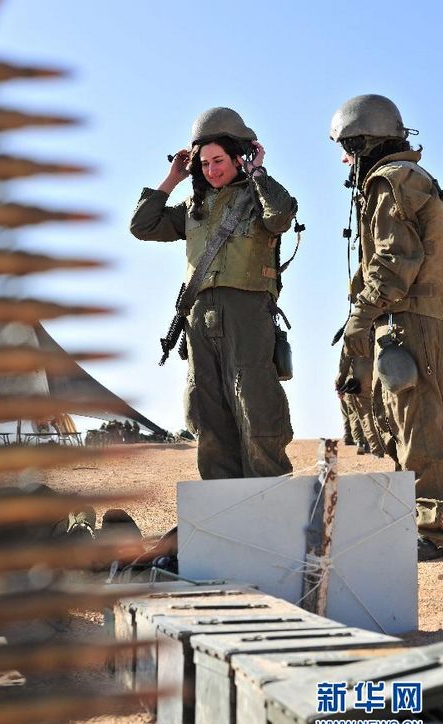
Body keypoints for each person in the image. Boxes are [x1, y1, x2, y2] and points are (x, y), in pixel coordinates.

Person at [130, 107, 298, 479]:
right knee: (205, 411)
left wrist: (258, 173)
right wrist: (173, 178)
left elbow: (279, 218)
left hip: (246, 313)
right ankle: (222, 500)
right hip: (197, 318)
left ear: (239, 157)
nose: (211, 170)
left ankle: (269, 494)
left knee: (256, 405)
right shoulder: (193, 207)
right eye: (203, 164)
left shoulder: (260, 197)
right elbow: (142, 225)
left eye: (218, 160)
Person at [330, 94, 443, 558]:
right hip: (424, 318)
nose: (344, 161)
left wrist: (360, 318)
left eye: (346, 149)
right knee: (418, 418)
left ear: (362, 144)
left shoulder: (389, 180)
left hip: (410, 319)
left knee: (416, 422)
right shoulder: (414, 177)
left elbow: (394, 260)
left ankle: (434, 530)